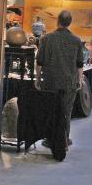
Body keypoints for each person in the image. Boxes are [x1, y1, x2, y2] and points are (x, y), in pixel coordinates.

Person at [35, 10, 84, 150]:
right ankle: (63, 140)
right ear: (70, 22)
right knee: (66, 112)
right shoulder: (76, 40)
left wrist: (37, 78)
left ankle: (50, 140)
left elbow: (39, 61)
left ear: (58, 21)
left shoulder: (47, 39)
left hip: (50, 81)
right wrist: (79, 80)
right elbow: (79, 64)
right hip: (69, 82)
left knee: (51, 110)